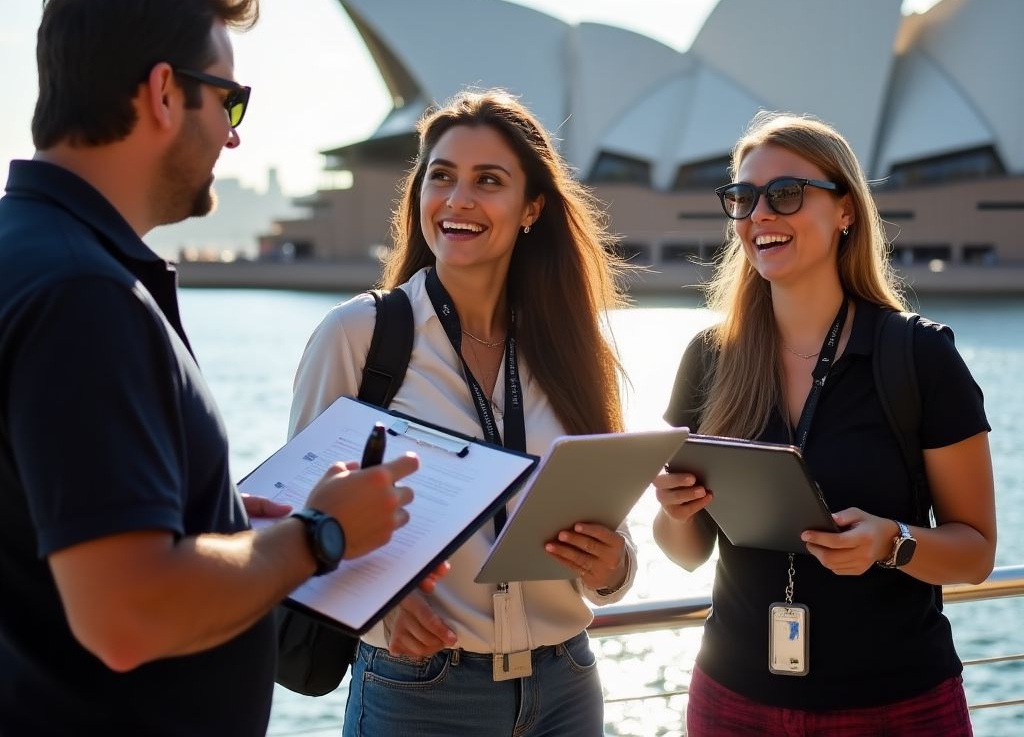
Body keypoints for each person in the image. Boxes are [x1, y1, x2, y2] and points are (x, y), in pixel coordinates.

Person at [0, 0, 422, 737]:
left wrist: (222, 525)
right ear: (165, 93)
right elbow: (127, 613)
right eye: (229, 101)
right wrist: (320, 535)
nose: (232, 139)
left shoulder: (29, 255)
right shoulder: (85, 298)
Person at [290, 88, 637, 736]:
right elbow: (292, 516)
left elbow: (605, 521)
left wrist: (614, 567)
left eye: (489, 181)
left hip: (566, 683)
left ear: (532, 207)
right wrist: (383, 608)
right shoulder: (358, 336)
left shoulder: (570, 347)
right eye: (441, 177)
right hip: (423, 691)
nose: (459, 200)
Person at [653, 111, 996, 736]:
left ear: (846, 212)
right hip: (733, 702)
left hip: (897, 706)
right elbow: (686, 552)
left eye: (785, 194)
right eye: (743, 198)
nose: (760, 214)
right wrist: (674, 512)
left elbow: (975, 552)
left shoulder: (918, 356)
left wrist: (892, 542)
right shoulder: (709, 357)